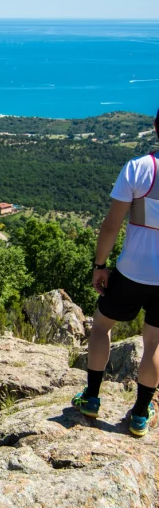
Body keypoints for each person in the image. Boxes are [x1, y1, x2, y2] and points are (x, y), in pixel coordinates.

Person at [72, 109, 159, 436]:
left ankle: (92, 397)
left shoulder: (139, 169)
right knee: (154, 344)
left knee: (102, 327)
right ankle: (139, 415)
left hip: (132, 272)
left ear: (155, 128)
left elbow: (111, 226)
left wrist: (99, 266)